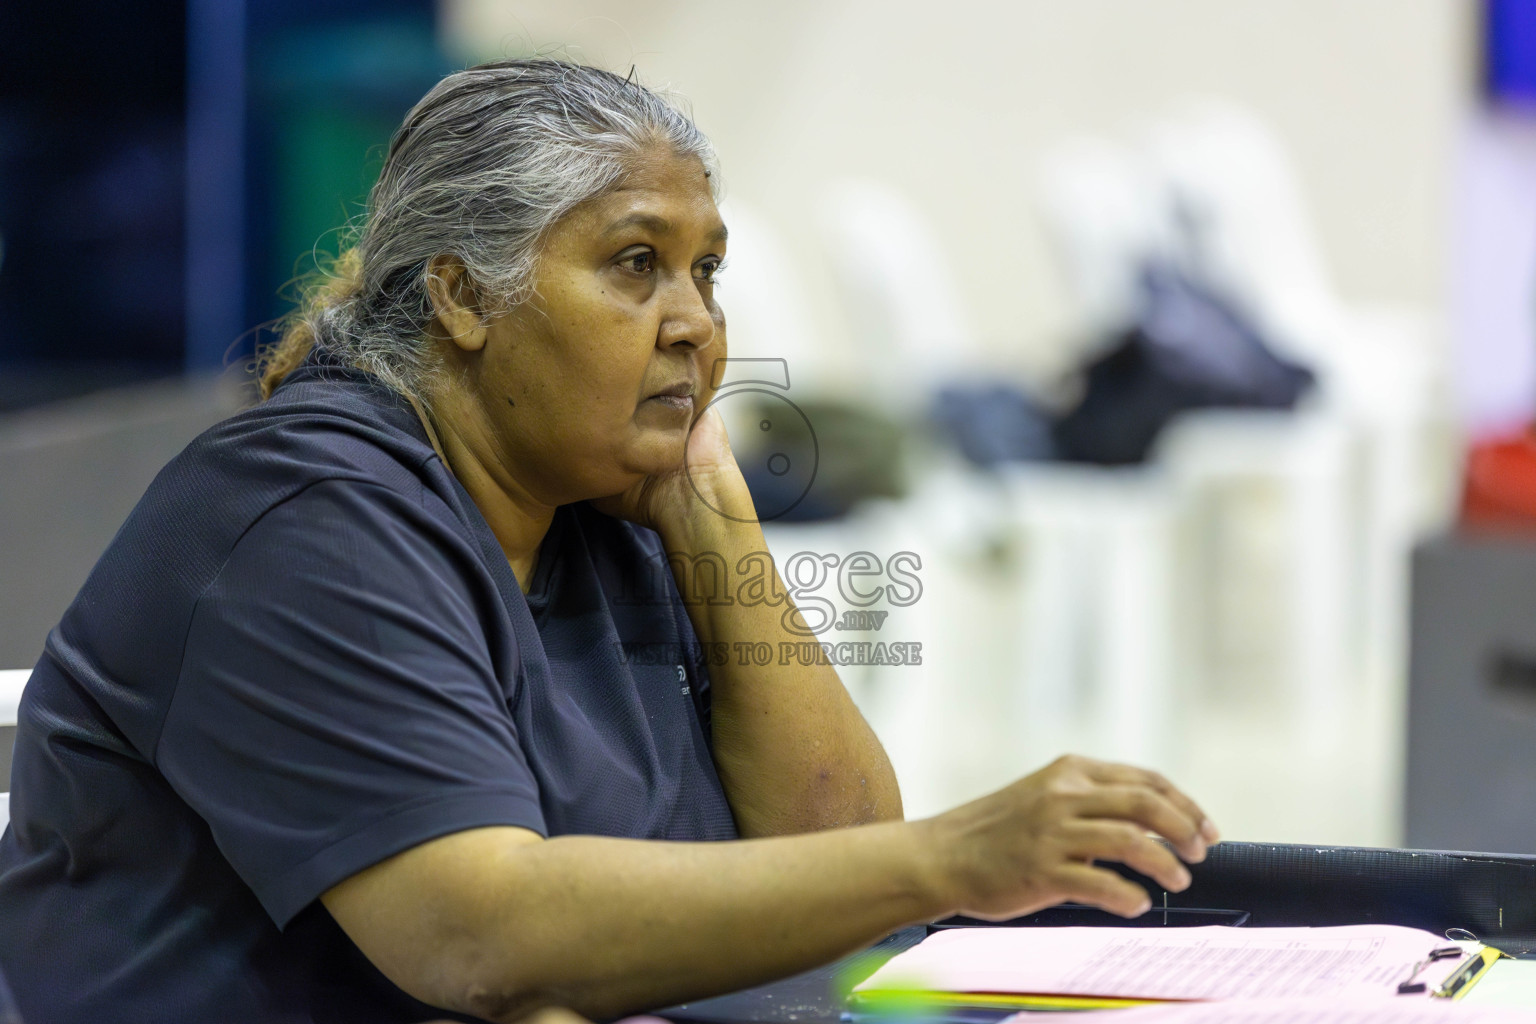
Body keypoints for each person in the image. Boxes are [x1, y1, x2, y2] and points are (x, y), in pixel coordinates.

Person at [0, 59, 1219, 1023]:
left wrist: (718, 525)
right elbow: (481, 935)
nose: (694, 321)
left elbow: (833, 860)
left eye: (708, 272)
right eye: (636, 265)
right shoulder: (304, 517)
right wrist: (954, 857)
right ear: (463, 296)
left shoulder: (596, 503)